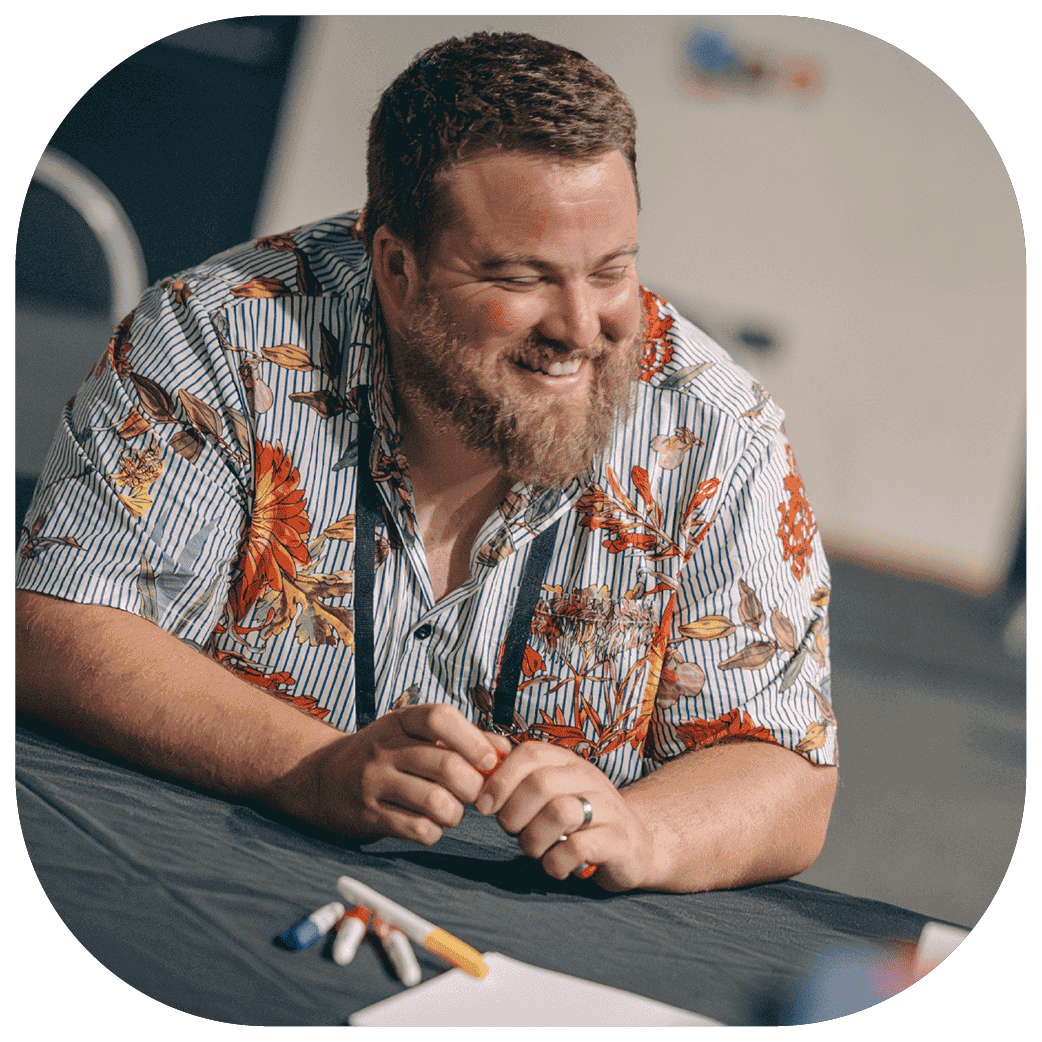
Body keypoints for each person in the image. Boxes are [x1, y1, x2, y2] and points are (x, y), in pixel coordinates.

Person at [15, 31, 836, 894]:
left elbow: (788, 767)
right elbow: (59, 627)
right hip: (181, 874)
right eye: (523, 277)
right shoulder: (219, 338)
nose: (581, 326)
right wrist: (311, 767)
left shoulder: (717, 430)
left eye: (611, 270)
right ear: (398, 271)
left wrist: (646, 830)